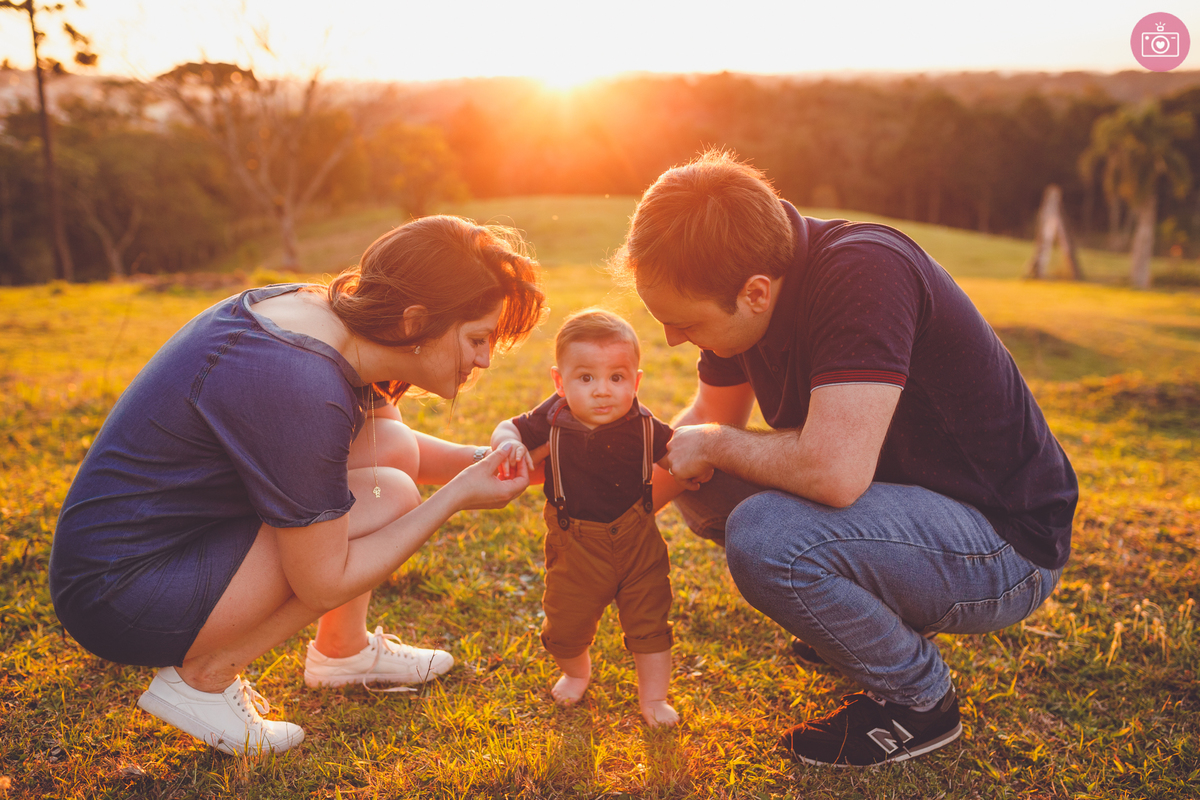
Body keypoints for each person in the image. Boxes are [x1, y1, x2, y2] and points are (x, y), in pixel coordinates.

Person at [613, 151, 1078, 766]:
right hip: (904, 513)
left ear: (754, 293)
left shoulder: (864, 271)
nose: (673, 338)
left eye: (684, 322)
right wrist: (604, 530)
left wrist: (716, 445)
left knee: (766, 534)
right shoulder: (744, 280)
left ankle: (920, 706)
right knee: (694, 468)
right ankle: (860, 624)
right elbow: (709, 425)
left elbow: (833, 474)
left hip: (1004, 542)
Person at [49, 215, 545, 755]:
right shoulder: (299, 382)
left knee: (389, 448)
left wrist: (491, 460)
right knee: (394, 494)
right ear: (414, 322)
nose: (485, 359)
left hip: (161, 545)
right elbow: (324, 582)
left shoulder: (322, 316)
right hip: (121, 593)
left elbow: (390, 445)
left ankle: (343, 652)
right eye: (477, 338)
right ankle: (204, 679)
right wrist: (454, 498)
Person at [490, 309, 679, 727]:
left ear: (636, 380)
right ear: (560, 382)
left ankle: (653, 698)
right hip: (575, 545)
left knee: (651, 622)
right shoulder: (553, 418)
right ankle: (576, 671)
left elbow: (679, 455)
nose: (602, 391)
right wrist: (508, 444)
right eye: (586, 378)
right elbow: (510, 427)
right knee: (564, 628)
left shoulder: (645, 425)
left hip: (637, 541)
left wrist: (697, 463)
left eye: (617, 377)